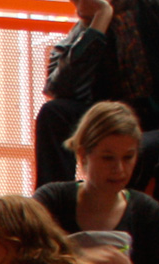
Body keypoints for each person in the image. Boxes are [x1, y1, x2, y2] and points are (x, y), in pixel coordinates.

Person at [38, 103, 159, 264]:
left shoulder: (147, 212)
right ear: (83, 155)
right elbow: (23, 263)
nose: (119, 169)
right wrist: (79, 259)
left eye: (128, 157)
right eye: (107, 158)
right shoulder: (51, 200)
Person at [36, 0, 159, 189]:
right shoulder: (89, 26)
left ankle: (125, 205)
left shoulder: (151, 10)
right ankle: (55, 200)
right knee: (54, 113)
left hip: (153, 119)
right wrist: (98, 20)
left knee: (137, 146)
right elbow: (59, 88)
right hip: (111, 113)